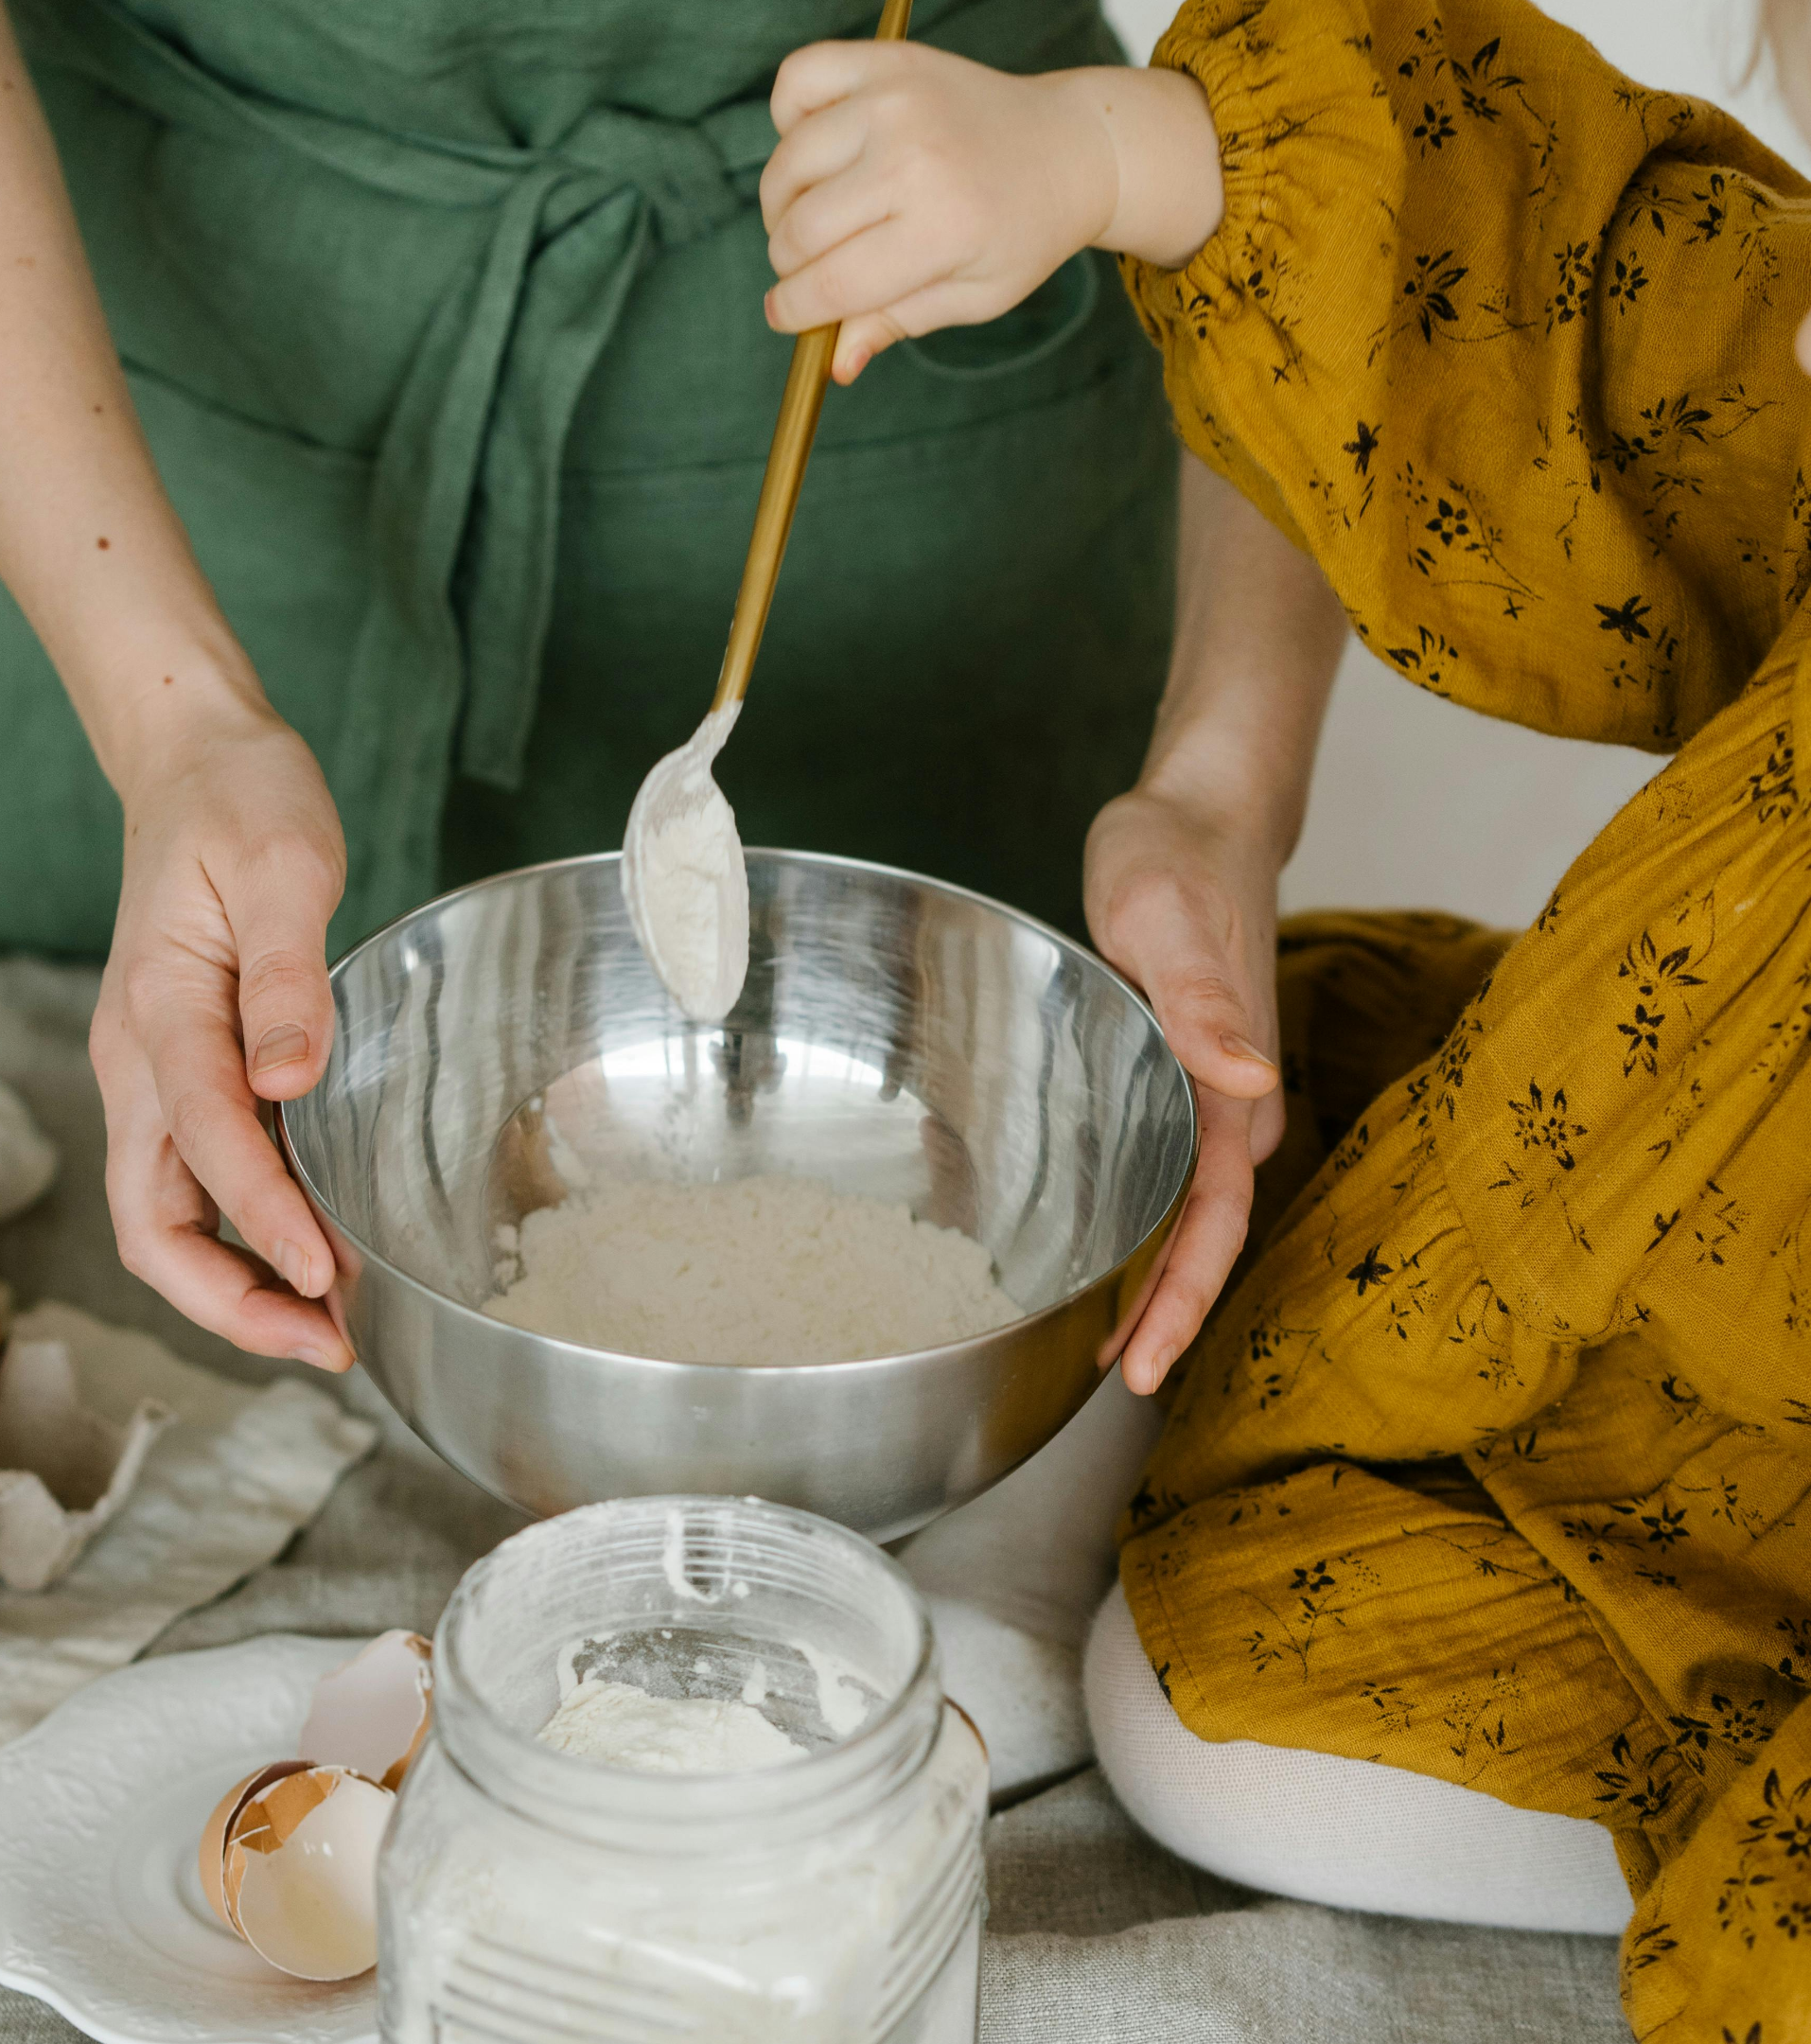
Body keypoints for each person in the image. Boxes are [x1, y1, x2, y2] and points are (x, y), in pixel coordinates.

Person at [0, 0, 1337, 1384]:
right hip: (131, 425)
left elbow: (1377, 84)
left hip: (925, 423)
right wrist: (171, 722)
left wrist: (1224, 783)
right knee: (103, 1293)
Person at [759, 4, 1811, 2040]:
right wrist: (1107, 153)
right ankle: (1054, 1532)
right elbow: (1577, 302)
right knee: (1279, 1073)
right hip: (1636, 1240)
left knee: (1203, 1747)